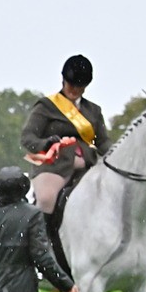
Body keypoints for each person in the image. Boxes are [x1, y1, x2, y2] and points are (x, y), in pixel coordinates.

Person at [20, 55, 112, 270]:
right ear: (63, 80)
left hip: (87, 167)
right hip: (53, 166)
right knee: (45, 199)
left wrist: (115, 155)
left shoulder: (93, 111)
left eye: (80, 86)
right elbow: (27, 137)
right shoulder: (46, 106)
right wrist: (45, 143)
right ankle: (40, 253)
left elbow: (103, 141)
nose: (74, 90)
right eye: (72, 85)